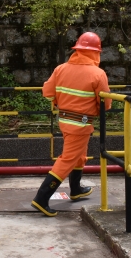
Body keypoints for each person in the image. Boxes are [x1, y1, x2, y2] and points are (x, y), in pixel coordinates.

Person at [30, 32, 111, 216]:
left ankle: (76, 189)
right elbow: (105, 104)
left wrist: (58, 102)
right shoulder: (98, 74)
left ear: (77, 50)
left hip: (65, 120)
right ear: (95, 53)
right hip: (81, 124)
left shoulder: (61, 69)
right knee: (67, 159)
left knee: (79, 155)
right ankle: (42, 198)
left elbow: (47, 92)